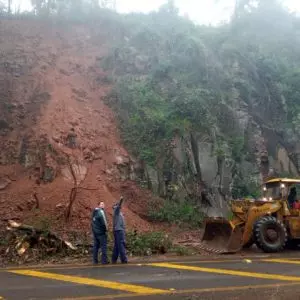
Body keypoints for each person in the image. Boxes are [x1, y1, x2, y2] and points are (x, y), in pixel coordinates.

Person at [112, 196, 128, 264]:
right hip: (119, 231)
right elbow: (118, 206)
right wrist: (121, 200)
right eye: (117, 205)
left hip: (119, 230)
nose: (119, 207)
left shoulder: (119, 214)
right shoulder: (116, 211)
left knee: (117, 245)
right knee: (121, 245)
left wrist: (124, 230)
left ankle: (114, 259)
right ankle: (124, 259)